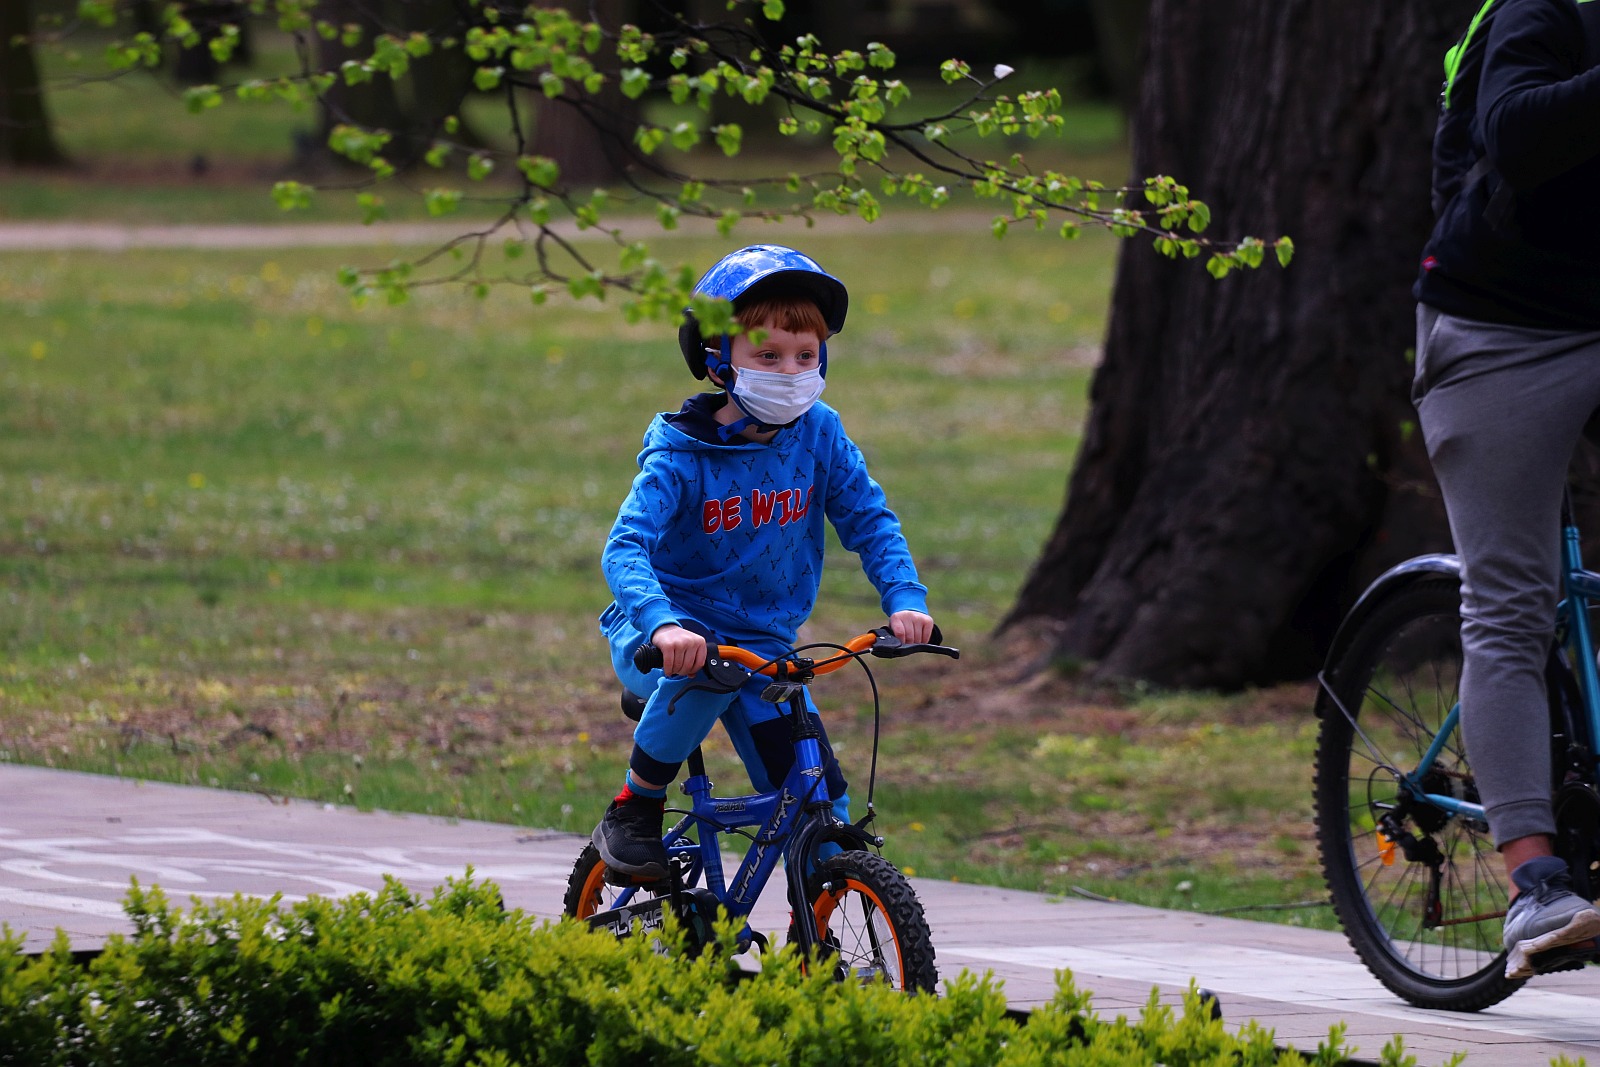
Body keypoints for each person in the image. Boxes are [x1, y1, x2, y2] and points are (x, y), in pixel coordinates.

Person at [591, 244, 936, 882]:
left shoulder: (820, 433)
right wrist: (663, 624)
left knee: (818, 802)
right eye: (768, 356)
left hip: (765, 644)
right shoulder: (680, 456)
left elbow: (868, 518)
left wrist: (905, 598)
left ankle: (827, 927)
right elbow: (626, 546)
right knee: (708, 675)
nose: (791, 372)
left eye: (806, 356)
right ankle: (632, 809)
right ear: (720, 362)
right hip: (665, 634)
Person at [1413, 0, 1600, 979]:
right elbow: (1518, 138)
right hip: (1503, 326)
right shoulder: (1548, 6)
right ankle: (1536, 885)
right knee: (1509, 604)